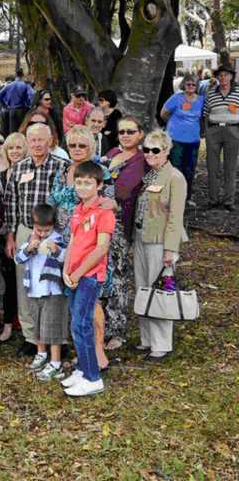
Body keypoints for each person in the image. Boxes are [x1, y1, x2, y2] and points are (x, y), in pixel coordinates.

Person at [2, 123, 65, 352]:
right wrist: (11, 236)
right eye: (33, 140)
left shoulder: (61, 168)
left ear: (50, 141)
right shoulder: (18, 168)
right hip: (26, 231)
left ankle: (56, 337)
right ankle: (31, 337)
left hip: (53, 233)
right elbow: (11, 204)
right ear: (27, 142)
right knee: (25, 286)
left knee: (53, 286)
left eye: (41, 139)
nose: (37, 144)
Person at [61, 160, 115, 397]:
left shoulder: (104, 212)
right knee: (76, 322)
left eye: (88, 183)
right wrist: (65, 269)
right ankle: (83, 370)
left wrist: (78, 272)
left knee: (82, 324)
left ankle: (93, 377)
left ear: (99, 185)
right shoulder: (77, 210)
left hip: (89, 276)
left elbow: (101, 248)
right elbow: (72, 242)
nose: (82, 187)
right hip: (72, 275)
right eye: (79, 182)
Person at [133, 129, 188, 361]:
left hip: (160, 243)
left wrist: (171, 249)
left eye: (155, 149)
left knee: (160, 293)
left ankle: (161, 344)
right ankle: (147, 339)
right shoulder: (149, 176)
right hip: (140, 238)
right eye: (146, 149)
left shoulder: (175, 177)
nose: (150, 154)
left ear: (166, 151)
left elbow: (176, 217)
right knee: (143, 289)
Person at [101, 116, 147, 348]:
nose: (126, 135)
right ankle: (101, 325)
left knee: (117, 276)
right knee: (100, 274)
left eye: (131, 131)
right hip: (98, 222)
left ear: (140, 134)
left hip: (119, 226)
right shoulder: (109, 155)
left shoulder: (139, 160)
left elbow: (123, 190)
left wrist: (99, 192)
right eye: (121, 132)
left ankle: (117, 330)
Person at [15, 203, 68, 381]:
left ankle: (55, 362)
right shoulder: (30, 240)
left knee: (51, 327)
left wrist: (56, 250)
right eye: (39, 229)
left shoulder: (58, 239)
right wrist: (29, 247)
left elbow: (65, 258)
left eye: (47, 230)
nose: (43, 233)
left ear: (53, 226)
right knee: (37, 324)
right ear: (34, 225)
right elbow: (18, 258)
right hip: (33, 290)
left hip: (52, 291)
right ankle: (41, 353)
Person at [0, 132, 28, 343]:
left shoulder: (33, 173)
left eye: (19, 147)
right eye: (11, 148)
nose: (15, 152)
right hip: (6, 236)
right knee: (10, 282)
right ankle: (9, 325)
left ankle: (29, 324)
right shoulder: (0, 178)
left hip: (30, 232)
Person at [160, 73, 204, 203]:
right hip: (176, 140)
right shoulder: (176, 98)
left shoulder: (202, 100)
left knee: (190, 169)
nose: (190, 86)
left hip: (193, 141)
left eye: (193, 84)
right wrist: (174, 125)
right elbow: (163, 114)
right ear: (184, 85)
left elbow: (203, 117)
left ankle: (186, 197)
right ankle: (174, 196)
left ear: (197, 86)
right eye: (188, 83)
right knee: (175, 168)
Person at [202, 63, 239, 211]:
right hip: (214, 131)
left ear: (231, 77)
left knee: (230, 167)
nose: (223, 78)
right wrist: (206, 132)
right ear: (217, 78)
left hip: (233, 131)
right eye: (220, 75)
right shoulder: (211, 93)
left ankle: (228, 201)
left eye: (226, 75)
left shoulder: (238, 93)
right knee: (212, 167)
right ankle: (213, 199)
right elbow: (205, 114)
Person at [0, 69, 33, 136]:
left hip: (11, 111)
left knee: (12, 133)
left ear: (16, 75)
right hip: (22, 110)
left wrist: (5, 105)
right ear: (23, 75)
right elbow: (31, 95)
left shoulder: (9, 85)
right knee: (22, 131)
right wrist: (29, 106)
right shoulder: (25, 85)